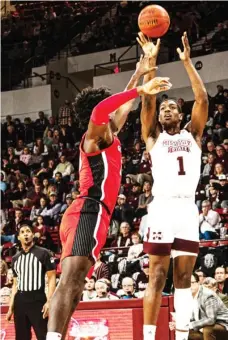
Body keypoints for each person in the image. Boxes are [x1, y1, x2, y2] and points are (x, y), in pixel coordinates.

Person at [46, 58, 171, 340]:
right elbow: (106, 107)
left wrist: (140, 71)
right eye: (108, 107)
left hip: (97, 215)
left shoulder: (109, 134)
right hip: (87, 210)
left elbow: (120, 107)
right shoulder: (94, 137)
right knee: (71, 281)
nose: (115, 109)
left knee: (76, 288)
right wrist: (140, 90)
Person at [137, 31, 208, 340]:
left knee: (183, 277)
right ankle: (150, 336)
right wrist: (151, 61)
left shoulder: (192, 136)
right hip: (163, 206)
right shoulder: (154, 137)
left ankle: (181, 337)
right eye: (163, 109)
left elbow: (202, 98)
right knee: (157, 274)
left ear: (181, 113)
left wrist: (187, 62)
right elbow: (148, 99)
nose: (165, 111)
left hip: (187, 208)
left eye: (171, 108)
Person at [6, 221, 56, 340]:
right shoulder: (15, 258)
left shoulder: (44, 253)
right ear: (18, 237)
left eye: (28, 231)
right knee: (22, 337)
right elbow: (15, 285)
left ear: (33, 235)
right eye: (22, 232)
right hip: (20, 301)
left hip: (37, 300)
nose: (25, 234)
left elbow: (52, 278)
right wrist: (10, 307)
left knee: (43, 336)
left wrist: (49, 302)